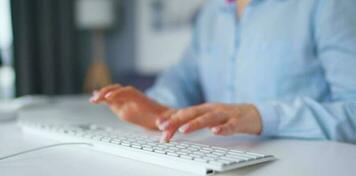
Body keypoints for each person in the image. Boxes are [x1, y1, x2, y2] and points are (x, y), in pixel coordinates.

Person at [90, 0, 356, 144]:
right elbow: (182, 76)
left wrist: (259, 116)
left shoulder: (328, 5)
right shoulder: (210, 14)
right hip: (219, 166)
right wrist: (160, 109)